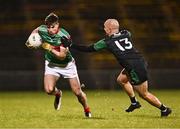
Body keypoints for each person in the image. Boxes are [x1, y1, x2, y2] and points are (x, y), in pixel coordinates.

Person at [61, 19, 172, 117]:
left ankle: (164, 109)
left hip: (134, 67)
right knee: (121, 80)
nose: (104, 30)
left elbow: (89, 49)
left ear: (109, 29)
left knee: (144, 94)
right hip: (137, 61)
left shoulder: (107, 42)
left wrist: (70, 45)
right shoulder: (126, 34)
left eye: (105, 28)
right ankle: (134, 103)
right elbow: (126, 33)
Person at [26, 12, 91, 117]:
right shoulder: (42, 29)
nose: (50, 29)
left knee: (78, 93)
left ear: (58, 25)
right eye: (48, 27)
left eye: (53, 27)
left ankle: (87, 109)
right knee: (48, 90)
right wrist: (31, 40)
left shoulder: (64, 36)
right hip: (51, 64)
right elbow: (36, 30)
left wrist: (49, 48)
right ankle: (58, 93)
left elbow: (62, 56)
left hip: (67, 65)